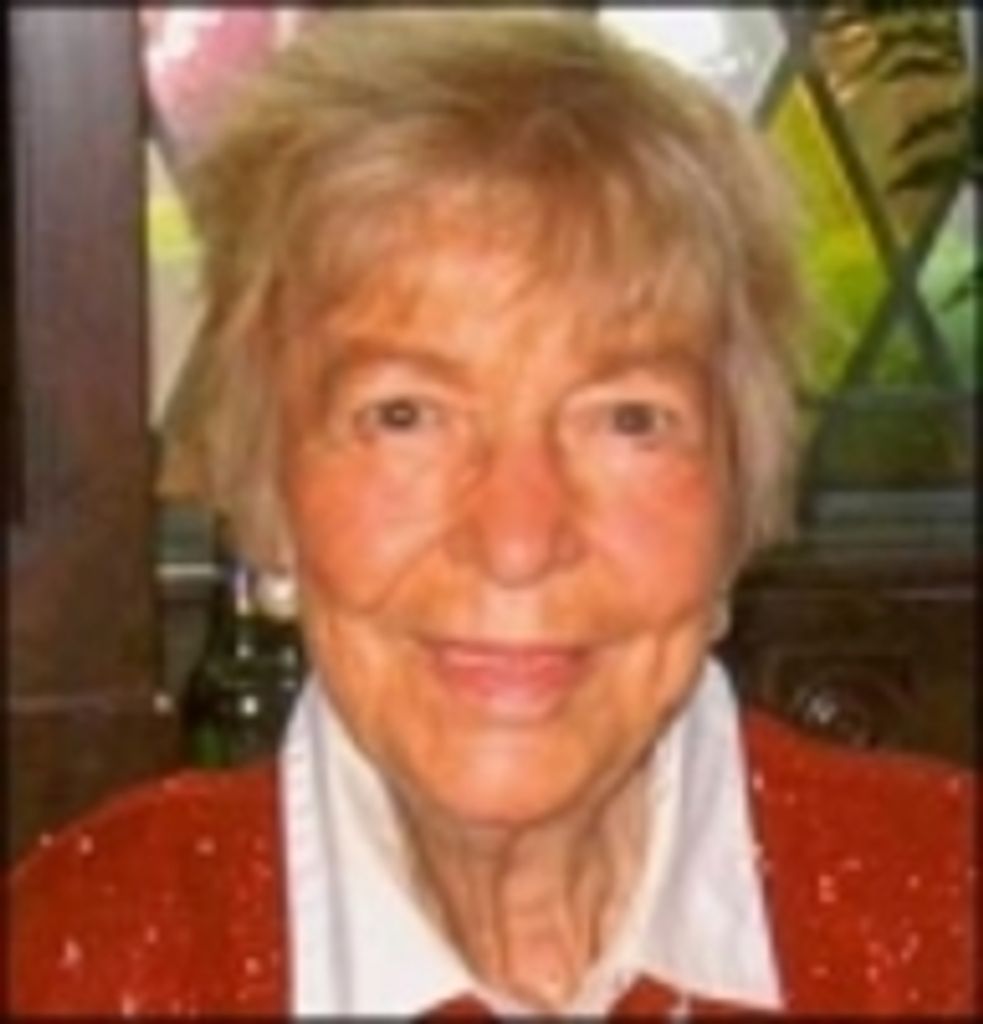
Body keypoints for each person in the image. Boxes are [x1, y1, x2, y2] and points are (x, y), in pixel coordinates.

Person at [9, 9, 975, 1018]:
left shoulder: (952, 913)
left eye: (627, 419)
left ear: (738, 499)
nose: (517, 540)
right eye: (404, 416)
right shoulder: (74, 959)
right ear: (271, 492)